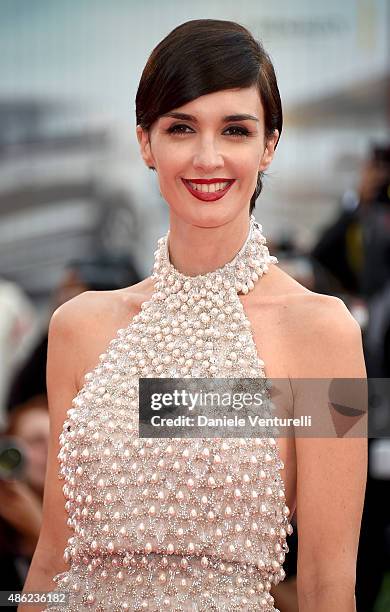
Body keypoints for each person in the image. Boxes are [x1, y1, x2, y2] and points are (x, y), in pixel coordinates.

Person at [22, 19, 367, 612]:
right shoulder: (78, 327)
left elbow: (326, 584)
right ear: (146, 144)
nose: (208, 157)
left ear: (269, 145)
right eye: (181, 127)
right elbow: (54, 557)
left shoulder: (322, 334)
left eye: (235, 130)